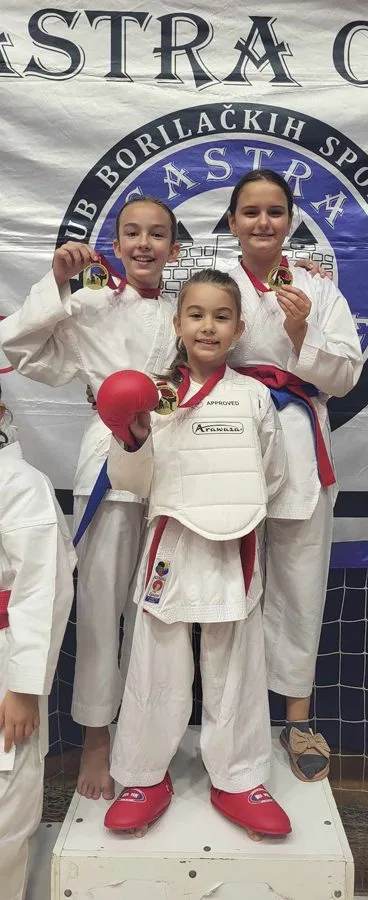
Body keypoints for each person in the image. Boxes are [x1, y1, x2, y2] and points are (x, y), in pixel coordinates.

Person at [0, 197, 180, 801]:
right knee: (101, 605)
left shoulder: (186, 309)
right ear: (117, 243)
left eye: (157, 234)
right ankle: (96, 736)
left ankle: (146, 733)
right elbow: (20, 348)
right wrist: (57, 280)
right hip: (108, 456)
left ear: (175, 248)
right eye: (132, 232)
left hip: (175, 461)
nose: (144, 243)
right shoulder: (90, 304)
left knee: (159, 610)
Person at [100, 269, 289, 840]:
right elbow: (131, 480)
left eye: (222, 316)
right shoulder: (153, 395)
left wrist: (234, 509)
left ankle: (240, 778)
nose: (209, 326)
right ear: (178, 324)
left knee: (237, 661)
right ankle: (143, 776)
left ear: (238, 330)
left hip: (236, 544)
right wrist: (131, 436)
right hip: (173, 542)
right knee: (157, 658)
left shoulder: (254, 396)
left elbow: (272, 472)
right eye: (197, 315)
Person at [226, 169, 363, 782]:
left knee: (300, 582)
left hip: (301, 442)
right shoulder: (216, 283)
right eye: (251, 211)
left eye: (275, 211)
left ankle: (298, 719)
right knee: (230, 580)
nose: (263, 222)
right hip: (229, 438)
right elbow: (187, 350)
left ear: (291, 221)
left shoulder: (317, 289)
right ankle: (237, 714)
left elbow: (347, 377)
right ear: (233, 221)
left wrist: (303, 331)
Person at [0, 384, 76, 900]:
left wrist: (25, 688)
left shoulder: (20, 483)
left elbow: (43, 587)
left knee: (7, 797)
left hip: (6, 662)